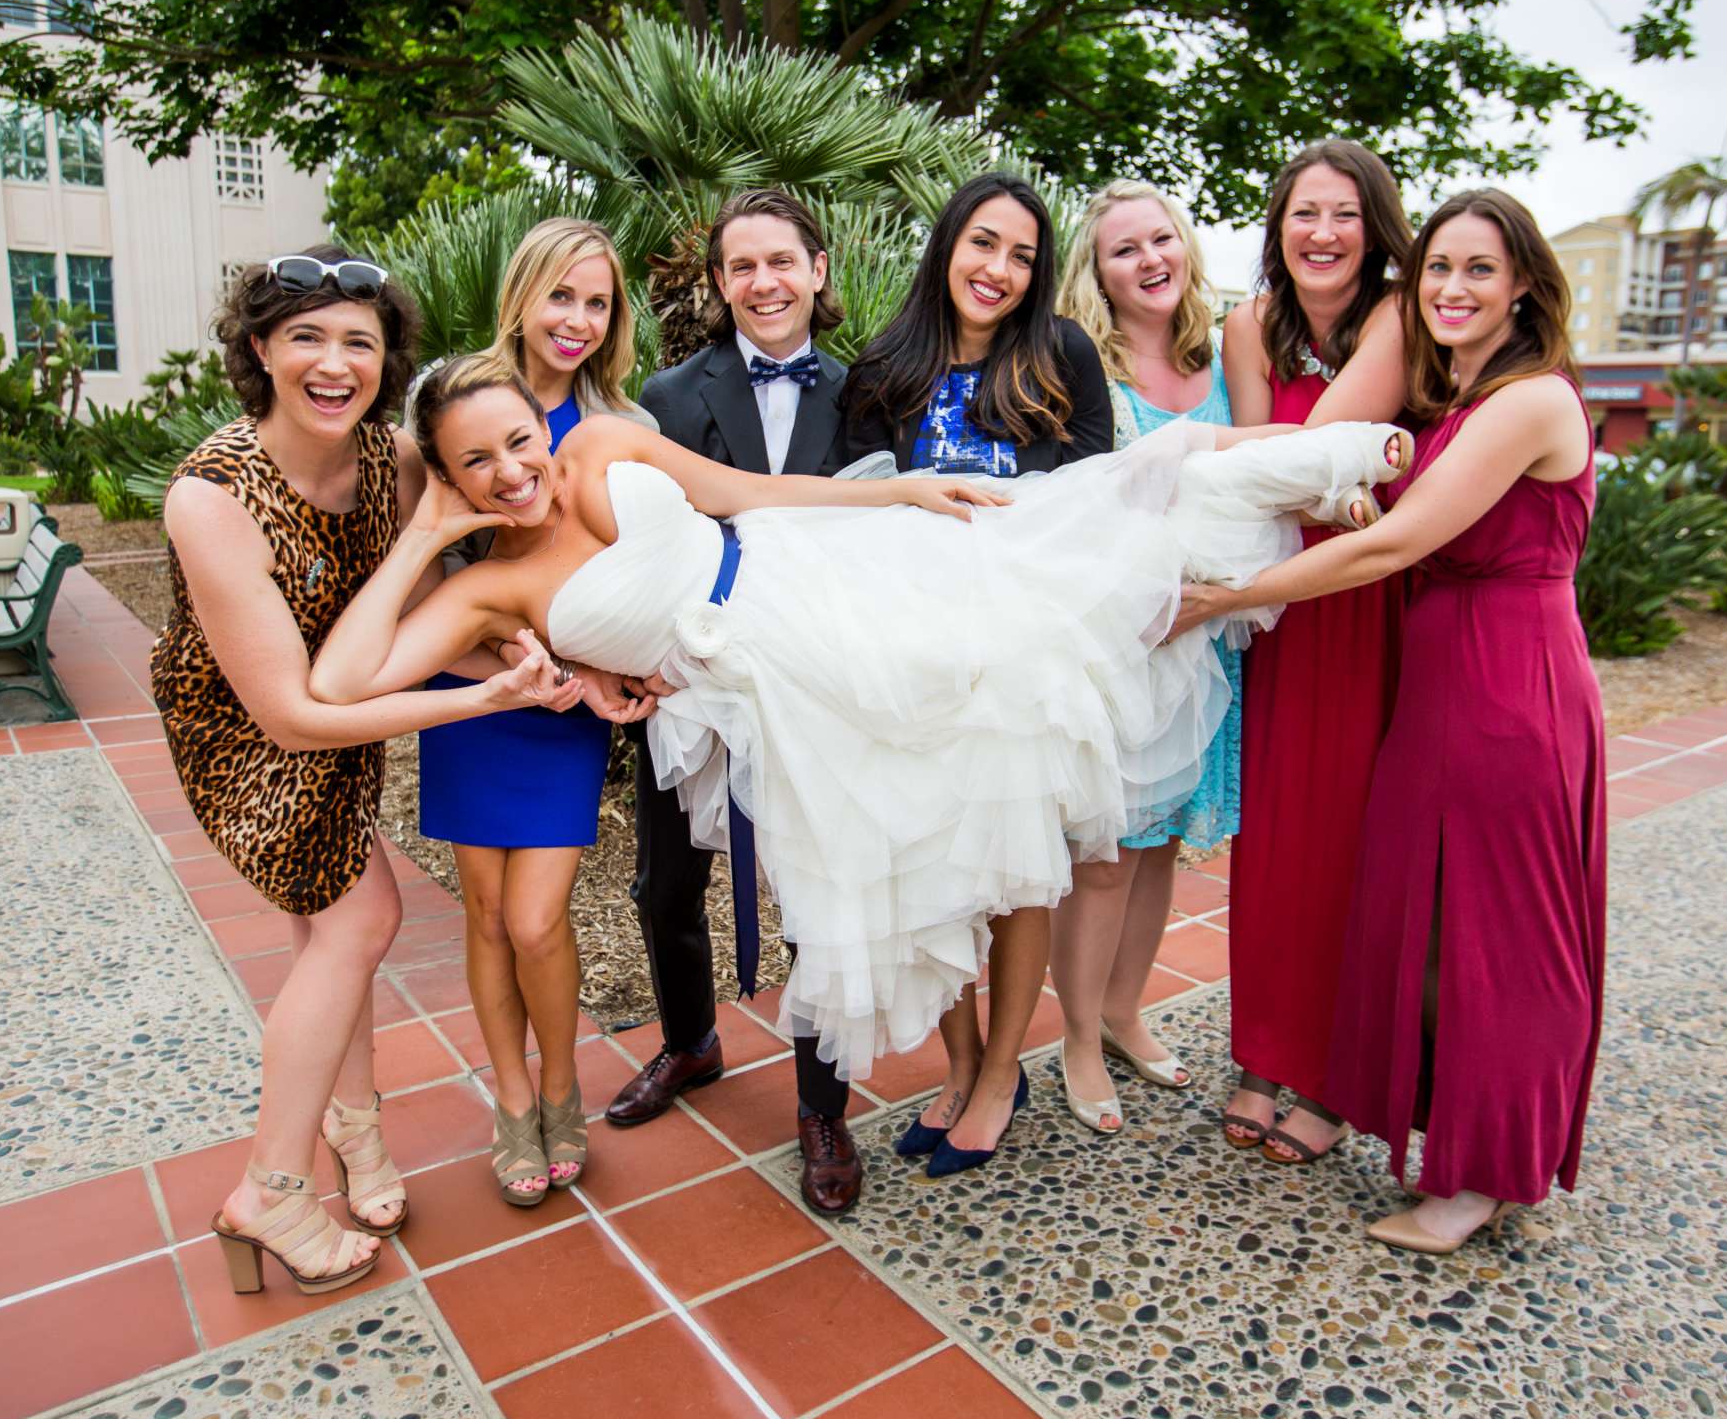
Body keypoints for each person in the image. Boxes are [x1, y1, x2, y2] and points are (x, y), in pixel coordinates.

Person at [306, 348, 1408, 1184]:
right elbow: (343, 685)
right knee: (909, 834)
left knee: (1050, 557)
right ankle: (956, 1068)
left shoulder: (599, 446)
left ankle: (1314, 475)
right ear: (444, 476)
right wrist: (420, 539)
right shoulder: (484, 588)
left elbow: (747, 493)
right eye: (474, 463)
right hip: (778, 694)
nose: (510, 471)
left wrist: (895, 493)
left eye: (515, 439)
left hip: (821, 580)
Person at [1170, 188, 1606, 1255]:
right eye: (1443, 269)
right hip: (1445, 676)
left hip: (1511, 684)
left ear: (1525, 290)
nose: (1454, 291)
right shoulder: (1464, 398)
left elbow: (1392, 547)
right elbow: (1415, 515)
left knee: (1507, 940)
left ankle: (1487, 1174)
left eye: (1480, 272)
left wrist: (1225, 597)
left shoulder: (1530, 400)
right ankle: (1454, 1139)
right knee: (1442, 931)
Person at [152, 248, 581, 1296]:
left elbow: (430, 625)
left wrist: (531, 664)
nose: (333, 362)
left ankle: (360, 1139)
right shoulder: (212, 497)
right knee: (359, 920)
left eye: (359, 339)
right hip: (247, 738)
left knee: (319, 938)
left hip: (354, 712)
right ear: (260, 350)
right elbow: (296, 719)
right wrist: (487, 699)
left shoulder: (396, 456)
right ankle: (272, 1190)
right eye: (305, 336)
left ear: (386, 359)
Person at [834, 171, 1116, 1174]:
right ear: (947, 243)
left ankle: (1004, 1070)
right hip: (915, 647)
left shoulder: (1061, 354)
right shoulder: (884, 365)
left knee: (1017, 866)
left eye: (1022, 255)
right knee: (940, 861)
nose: (998, 268)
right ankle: (956, 1065)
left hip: (1023, 651)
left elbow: (1096, 498)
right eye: (983, 243)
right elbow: (851, 507)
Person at [605, 187, 867, 1216]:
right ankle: (689, 1040)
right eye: (740, 266)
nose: (763, 282)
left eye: (780, 261)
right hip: (689, 679)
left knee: (814, 901)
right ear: (719, 284)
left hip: (814, 685)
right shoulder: (667, 397)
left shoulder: (866, 396)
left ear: (817, 268)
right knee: (666, 885)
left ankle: (821, 1105)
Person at [408, 218, 658, 1208]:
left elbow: (646, 574)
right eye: (562, 295)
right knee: (482, 913)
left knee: (536, 917)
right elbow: (424, 584)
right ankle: (512, 1099)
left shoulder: (614, 427)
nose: (578, 321)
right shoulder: (453, 405)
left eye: (598, 302)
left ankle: (562, 1084)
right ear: (522, 293)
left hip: (568, 704)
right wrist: (506, 659)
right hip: (471, 692)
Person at [1215, 139, 1416, 1165]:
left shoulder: (1398, 314)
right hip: (1282, 604)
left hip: (1368, 598)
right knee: (1276, 831)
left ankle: (1336, 1075)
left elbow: (1303, 448)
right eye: (1303, 214)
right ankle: (1262, 1052)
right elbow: (1278, 480)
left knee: (1349, 838)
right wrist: (1276, 471)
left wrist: (1189, 450)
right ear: (1277, 227)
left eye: (1343, 214)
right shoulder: (1248, 324)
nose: (1322, 234)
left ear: (1373, 226)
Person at [1048, 179, 1239, 1133]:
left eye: (1161, 239)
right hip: (1129, 641)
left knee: (1165, 844)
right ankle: (1078, 1035)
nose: (1149, 260)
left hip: (1218, 632)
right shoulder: (1091, 371)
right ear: (1099, 273)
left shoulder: (1226, 358)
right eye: (1125, 249)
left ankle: (1126, 1010)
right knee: (1110, 852)